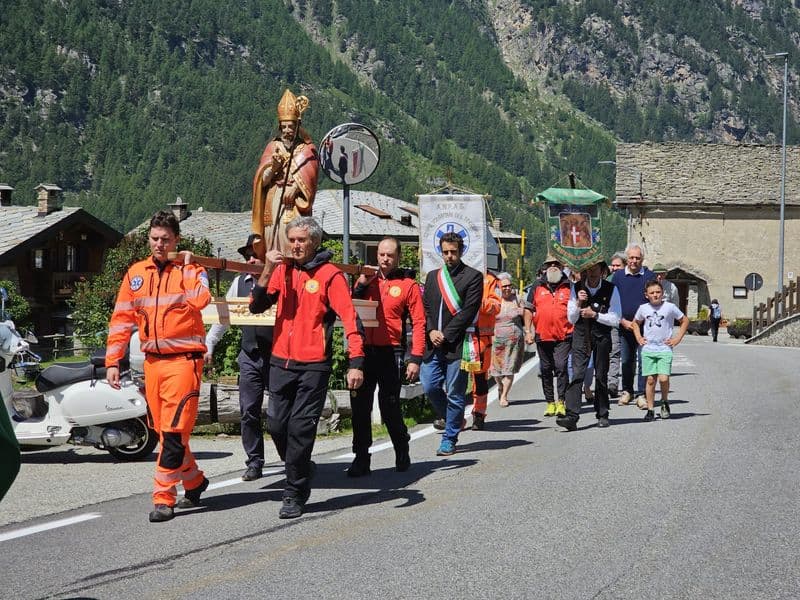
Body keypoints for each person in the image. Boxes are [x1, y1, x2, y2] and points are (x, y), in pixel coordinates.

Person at [249, 216, 364, 518]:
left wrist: (356, 362)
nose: (296, 245)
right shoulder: (282, 270)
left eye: (302, 240)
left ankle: (295, 492)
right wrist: (268, 268)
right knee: (275, 424)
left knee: (300, 428)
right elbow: (256, 305)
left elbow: (350, 319)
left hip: (313, 365)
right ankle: (300, 466)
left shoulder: (330, 275)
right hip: (280, 361)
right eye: (293, 240)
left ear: (315, 242)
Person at [105, 210, 212, 523]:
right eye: (155, 239)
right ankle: (194, 481)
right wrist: (113, 360)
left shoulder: (191, 270)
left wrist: (190, 266)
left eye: (166, 239)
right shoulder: (136, 273)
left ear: (177, 240)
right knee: (163, 432)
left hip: (184, 363)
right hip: (152, 364)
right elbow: (121, 320)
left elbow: (201, 300)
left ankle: (163, 498)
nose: (160, 244)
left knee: (175, 433)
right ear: (148, 239)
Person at [347, 236, 425, 477]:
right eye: (381, 254)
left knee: (389, 406)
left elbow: (419, 322)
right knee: (360, 406)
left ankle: (401, 447)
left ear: (398, 257)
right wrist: (359, 285)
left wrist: (415, 358)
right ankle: (361, 458)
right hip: (364, 351)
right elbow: (349, 308)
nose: (384, 259)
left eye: (390, 255)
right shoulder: (366, 280)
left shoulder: (407, 285)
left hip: (392, 352)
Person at [205, 234, 273, 482]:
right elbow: (225, 315)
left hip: (276, 355)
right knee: (248, 411)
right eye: (248, 255)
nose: (251, 259)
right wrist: (210, 343)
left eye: (256, 254)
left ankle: (293, 459)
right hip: (250, 355)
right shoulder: (239, 283)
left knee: (279, 413)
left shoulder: (278, 281)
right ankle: (255, 462)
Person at [421, 232, 483, 457]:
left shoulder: (473, 277)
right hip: (433, 343)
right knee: (429, 385)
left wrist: (445, 334)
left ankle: (449, 438)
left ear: (461, 251)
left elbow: (468, 311)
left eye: (453, 252)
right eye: (445, 252)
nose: (449, 256)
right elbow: (426, 308)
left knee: (456, 393)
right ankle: (453, 419)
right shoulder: (432, 277)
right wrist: (431, 331)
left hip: (457, 344)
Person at [251, 89, 319, 259]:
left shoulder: (307, 149)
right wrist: (273, 168)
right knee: (272, 235)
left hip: (293, 201)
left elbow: (311, 175)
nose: (287, 130)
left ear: (297, 126)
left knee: (292, 234)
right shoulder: (272, 147)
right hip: (273, 200)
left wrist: (296, 186)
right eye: (284, 127)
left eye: (291, 126)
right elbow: (262, 182)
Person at [557, 259, 621, 431]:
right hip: (581, 335)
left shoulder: (611, 289)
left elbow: (616, 319)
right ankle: (572, 415)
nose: (592, 273)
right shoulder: (577, 288)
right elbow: (571, 318)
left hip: (602, 336)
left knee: (601, 375)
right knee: (577, 373)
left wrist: (595, 315)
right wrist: (578, 303)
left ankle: (602, 413)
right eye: (589, 269)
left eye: (596, 269)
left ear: (602, 271)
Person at [632, 279, 689, 421]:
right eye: (652, 293)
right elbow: (635, 323)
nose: (655, 295)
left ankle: (664, 401)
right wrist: (639, 337)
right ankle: (650, 409)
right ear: (646, 295)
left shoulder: (669, 307)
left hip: (664, 348)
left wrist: (677, 339)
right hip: (648, 348)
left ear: (663, 293)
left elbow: (684, 320)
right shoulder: (643, 308)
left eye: (658, 292)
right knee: (650, 380)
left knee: (663, 378)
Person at [524, 255, 573, 418]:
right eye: (549, 264)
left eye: (556, 264)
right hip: (542, 335)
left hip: (564, 335)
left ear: (561, 266)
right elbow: (529, 308)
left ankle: (561, 401)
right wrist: (528, 331)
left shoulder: (569, 285)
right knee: (545, 369)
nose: (553, 266)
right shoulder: (537, 285)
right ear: (545, 267)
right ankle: (550, 402)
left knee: (561, 366)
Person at [611, 243, 654, 406]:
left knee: (644, 360)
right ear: (626, 259)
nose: (634, 261)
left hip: (645, 328)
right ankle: (627, 391)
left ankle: (642, 394)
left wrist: (639, 322)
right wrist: (622, 321)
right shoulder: (619, 277)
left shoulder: (649, 276)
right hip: (625, 326)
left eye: (637, 258)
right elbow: (612, 303)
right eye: (631, 258)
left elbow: (654, 300)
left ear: (642, 259)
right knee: (626, 361)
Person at [470, 271, 502, 430]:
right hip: (458, 336)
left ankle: (479, 414)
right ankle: (451, 415)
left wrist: (477, 301)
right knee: (455, 379)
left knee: (479, 379)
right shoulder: (454, 275)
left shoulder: (491, 280)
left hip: (481, 338)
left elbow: (496, 306)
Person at [489, 273, 526, 408]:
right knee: (496, 371)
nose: (507, 288)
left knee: (509, 369)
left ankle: (504, 396)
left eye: (509, 286)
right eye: (504, 286)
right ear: (499, 287)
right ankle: (499, 385)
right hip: (496, 340)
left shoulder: (518, 299)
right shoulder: (495, 299)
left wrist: (524, 316)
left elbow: (528, 314)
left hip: (514, 341)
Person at [606, 252, 627, 398]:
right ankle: (611, 382)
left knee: (622, 355)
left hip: (626, 321)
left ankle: (619, 384)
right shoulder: (607, 280)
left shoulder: (627, 280)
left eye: (617, 265)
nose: (614, 268)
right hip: (610, 321)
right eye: (613, 265)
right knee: (612, 352)